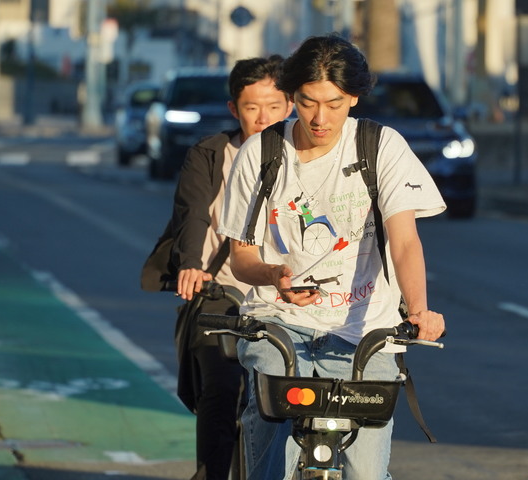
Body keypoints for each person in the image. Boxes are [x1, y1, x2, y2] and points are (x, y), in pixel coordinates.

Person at [217, 34, 446, 480]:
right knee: (269, 449)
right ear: (291, 96)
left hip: (366, 330)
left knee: (366, 471)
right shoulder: (260, 154)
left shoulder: (382, 147)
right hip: (277, 322)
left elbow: (404, 240)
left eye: (335, 103)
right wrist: (273, 275)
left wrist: (418, 310)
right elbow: (241, 257)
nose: (320, 118)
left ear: (354, 97)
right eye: (307, 102)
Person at [142, 55, 293, 480]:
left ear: (291, 106)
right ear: (233, 109)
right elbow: (193, 214)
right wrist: (191, 265)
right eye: (251, 107)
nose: (264, 118)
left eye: (275, 107)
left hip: (287, 298)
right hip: (221, 293)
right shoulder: (211, 154)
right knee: (221, 391)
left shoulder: (305, 159)